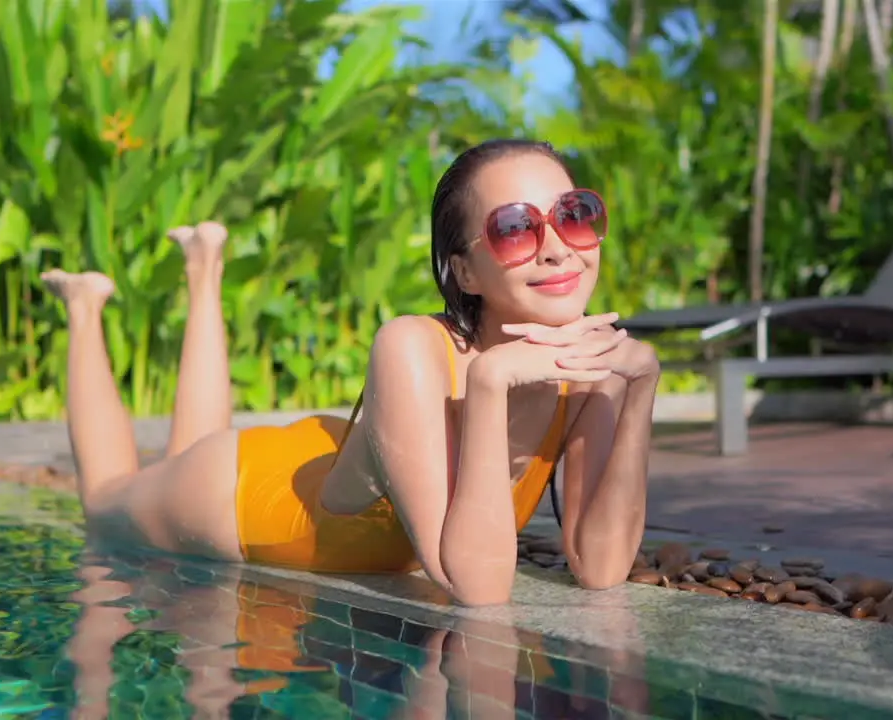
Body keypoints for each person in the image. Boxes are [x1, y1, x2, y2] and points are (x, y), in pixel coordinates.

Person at [40, 139, 660, 606]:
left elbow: (601, 566)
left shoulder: (589, 369)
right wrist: (491, 381)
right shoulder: (413, 346)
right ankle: (85, 304)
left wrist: (640, 388)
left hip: (336, 456)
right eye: (516, 228)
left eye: (574, 214)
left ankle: (205, 265)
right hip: (246, 496)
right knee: (104, 503)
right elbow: (477, 585)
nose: (557, 247)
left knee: (183, 448)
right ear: (464, 272)